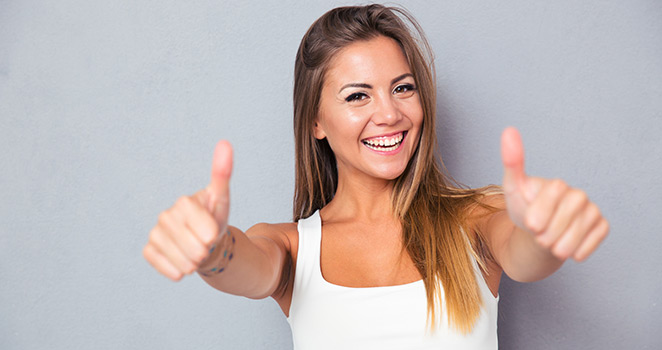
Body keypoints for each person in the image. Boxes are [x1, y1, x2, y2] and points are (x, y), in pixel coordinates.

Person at [142, 4, 609, 349]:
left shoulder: (474, 220)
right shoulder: (291, 246)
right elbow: (248, 269)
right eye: (357, 96)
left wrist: (549, 235)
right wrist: (211, 250)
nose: (389, 114)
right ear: (316, 123)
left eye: (403, 88)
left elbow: (526, 255)